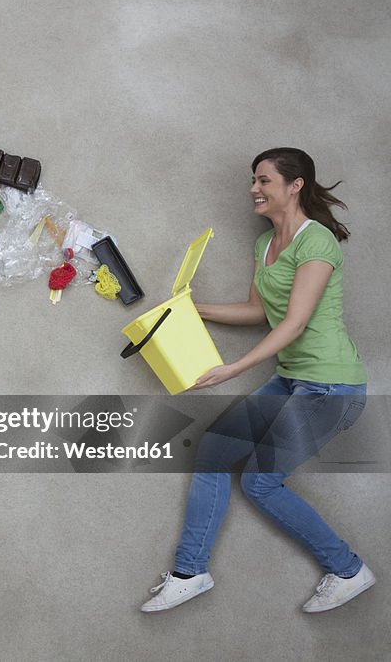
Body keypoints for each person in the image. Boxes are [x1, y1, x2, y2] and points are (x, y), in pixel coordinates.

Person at [141, 148, 373, 614]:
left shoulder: (317, 241)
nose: (253, 189)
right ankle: (191, 572)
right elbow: (258, 311)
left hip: (331, 388)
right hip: (291, 381)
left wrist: (234, 368)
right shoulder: (265, 243)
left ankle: (348, 570)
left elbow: (294, 323)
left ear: (295, 185)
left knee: (260, 482)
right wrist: (191, 309)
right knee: (213, 449)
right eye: (254, 180)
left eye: (264, 180)